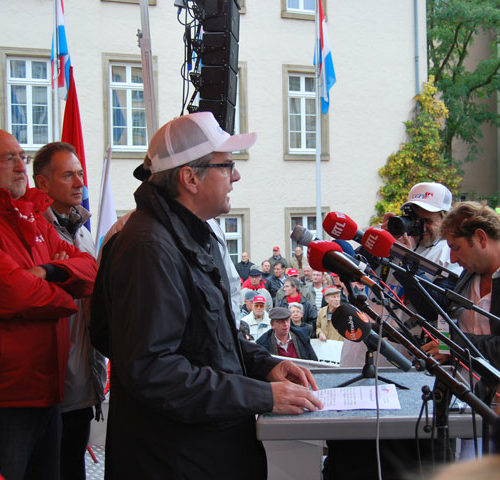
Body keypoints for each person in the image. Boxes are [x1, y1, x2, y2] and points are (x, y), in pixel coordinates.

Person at [91, 112, 322, 479]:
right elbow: (153, 370)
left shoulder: (189, 235)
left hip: (201, 452)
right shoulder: (149, 248)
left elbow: (209, 337)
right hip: (172, 460)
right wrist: (261, 395)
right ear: (190, 178)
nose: (236, 175)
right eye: (226, 165)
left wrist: (264, 365)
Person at [0, 130, 97, 480]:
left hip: (50, 389)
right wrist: (67, 292)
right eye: (8, 158)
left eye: (21, 157)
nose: (19, 166)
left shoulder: (31, 219)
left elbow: (91, 272)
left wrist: (49, 271)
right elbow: (15, 293)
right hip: (9, 395)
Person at [33, 142, 107, 480]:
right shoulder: (35, 232)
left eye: (80, 174)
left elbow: (92, 280)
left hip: (81, 378)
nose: (80, 183)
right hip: (49, 380)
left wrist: (68, 271)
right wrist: (63, 274)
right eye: (68, 175)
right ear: (43, 183)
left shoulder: (82, 231)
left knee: (73, 463)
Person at [421, 201, 500, 370]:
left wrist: (454, 346)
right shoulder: (468, 274)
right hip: (460, 381)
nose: (452, 258)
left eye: (456, 248)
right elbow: (451, 320)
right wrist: (441, 343)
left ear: (481, 238)